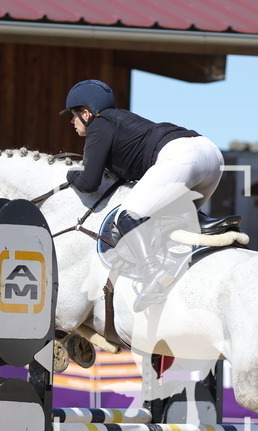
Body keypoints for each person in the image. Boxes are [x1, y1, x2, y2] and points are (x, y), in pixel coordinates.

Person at [60, 79, 223, 308]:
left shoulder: (100, 124)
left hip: (181, 157)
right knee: (171, 221)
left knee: (127, 216)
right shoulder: (121, 122)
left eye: (73, 114)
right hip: (212, 156)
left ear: (86, 113)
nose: (71, 121)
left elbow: (88, 182)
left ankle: (152, 271)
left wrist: (69, 175)